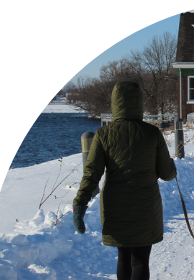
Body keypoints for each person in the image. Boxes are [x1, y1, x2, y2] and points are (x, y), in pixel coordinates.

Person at [73, 81, 177, 280]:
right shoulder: (152, 133)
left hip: (115, 206)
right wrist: (172, 167)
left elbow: (91, 173)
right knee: (140, 259)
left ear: (115, 103)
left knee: (123, 257)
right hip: (146, 206)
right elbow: (166, 174)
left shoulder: (104, 135)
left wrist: (80, 203)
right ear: (139, 103)